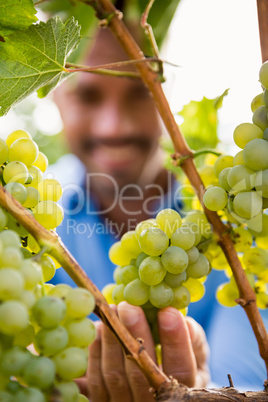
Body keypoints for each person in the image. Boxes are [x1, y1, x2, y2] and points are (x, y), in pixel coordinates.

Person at [51, 24, 268, 398]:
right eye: (88, 95)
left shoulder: (235, 224)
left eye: (139, 92)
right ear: (56, 99)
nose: (113, 126)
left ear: (166, 95)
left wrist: (201, 396)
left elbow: (248, 382)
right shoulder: (26, 215)